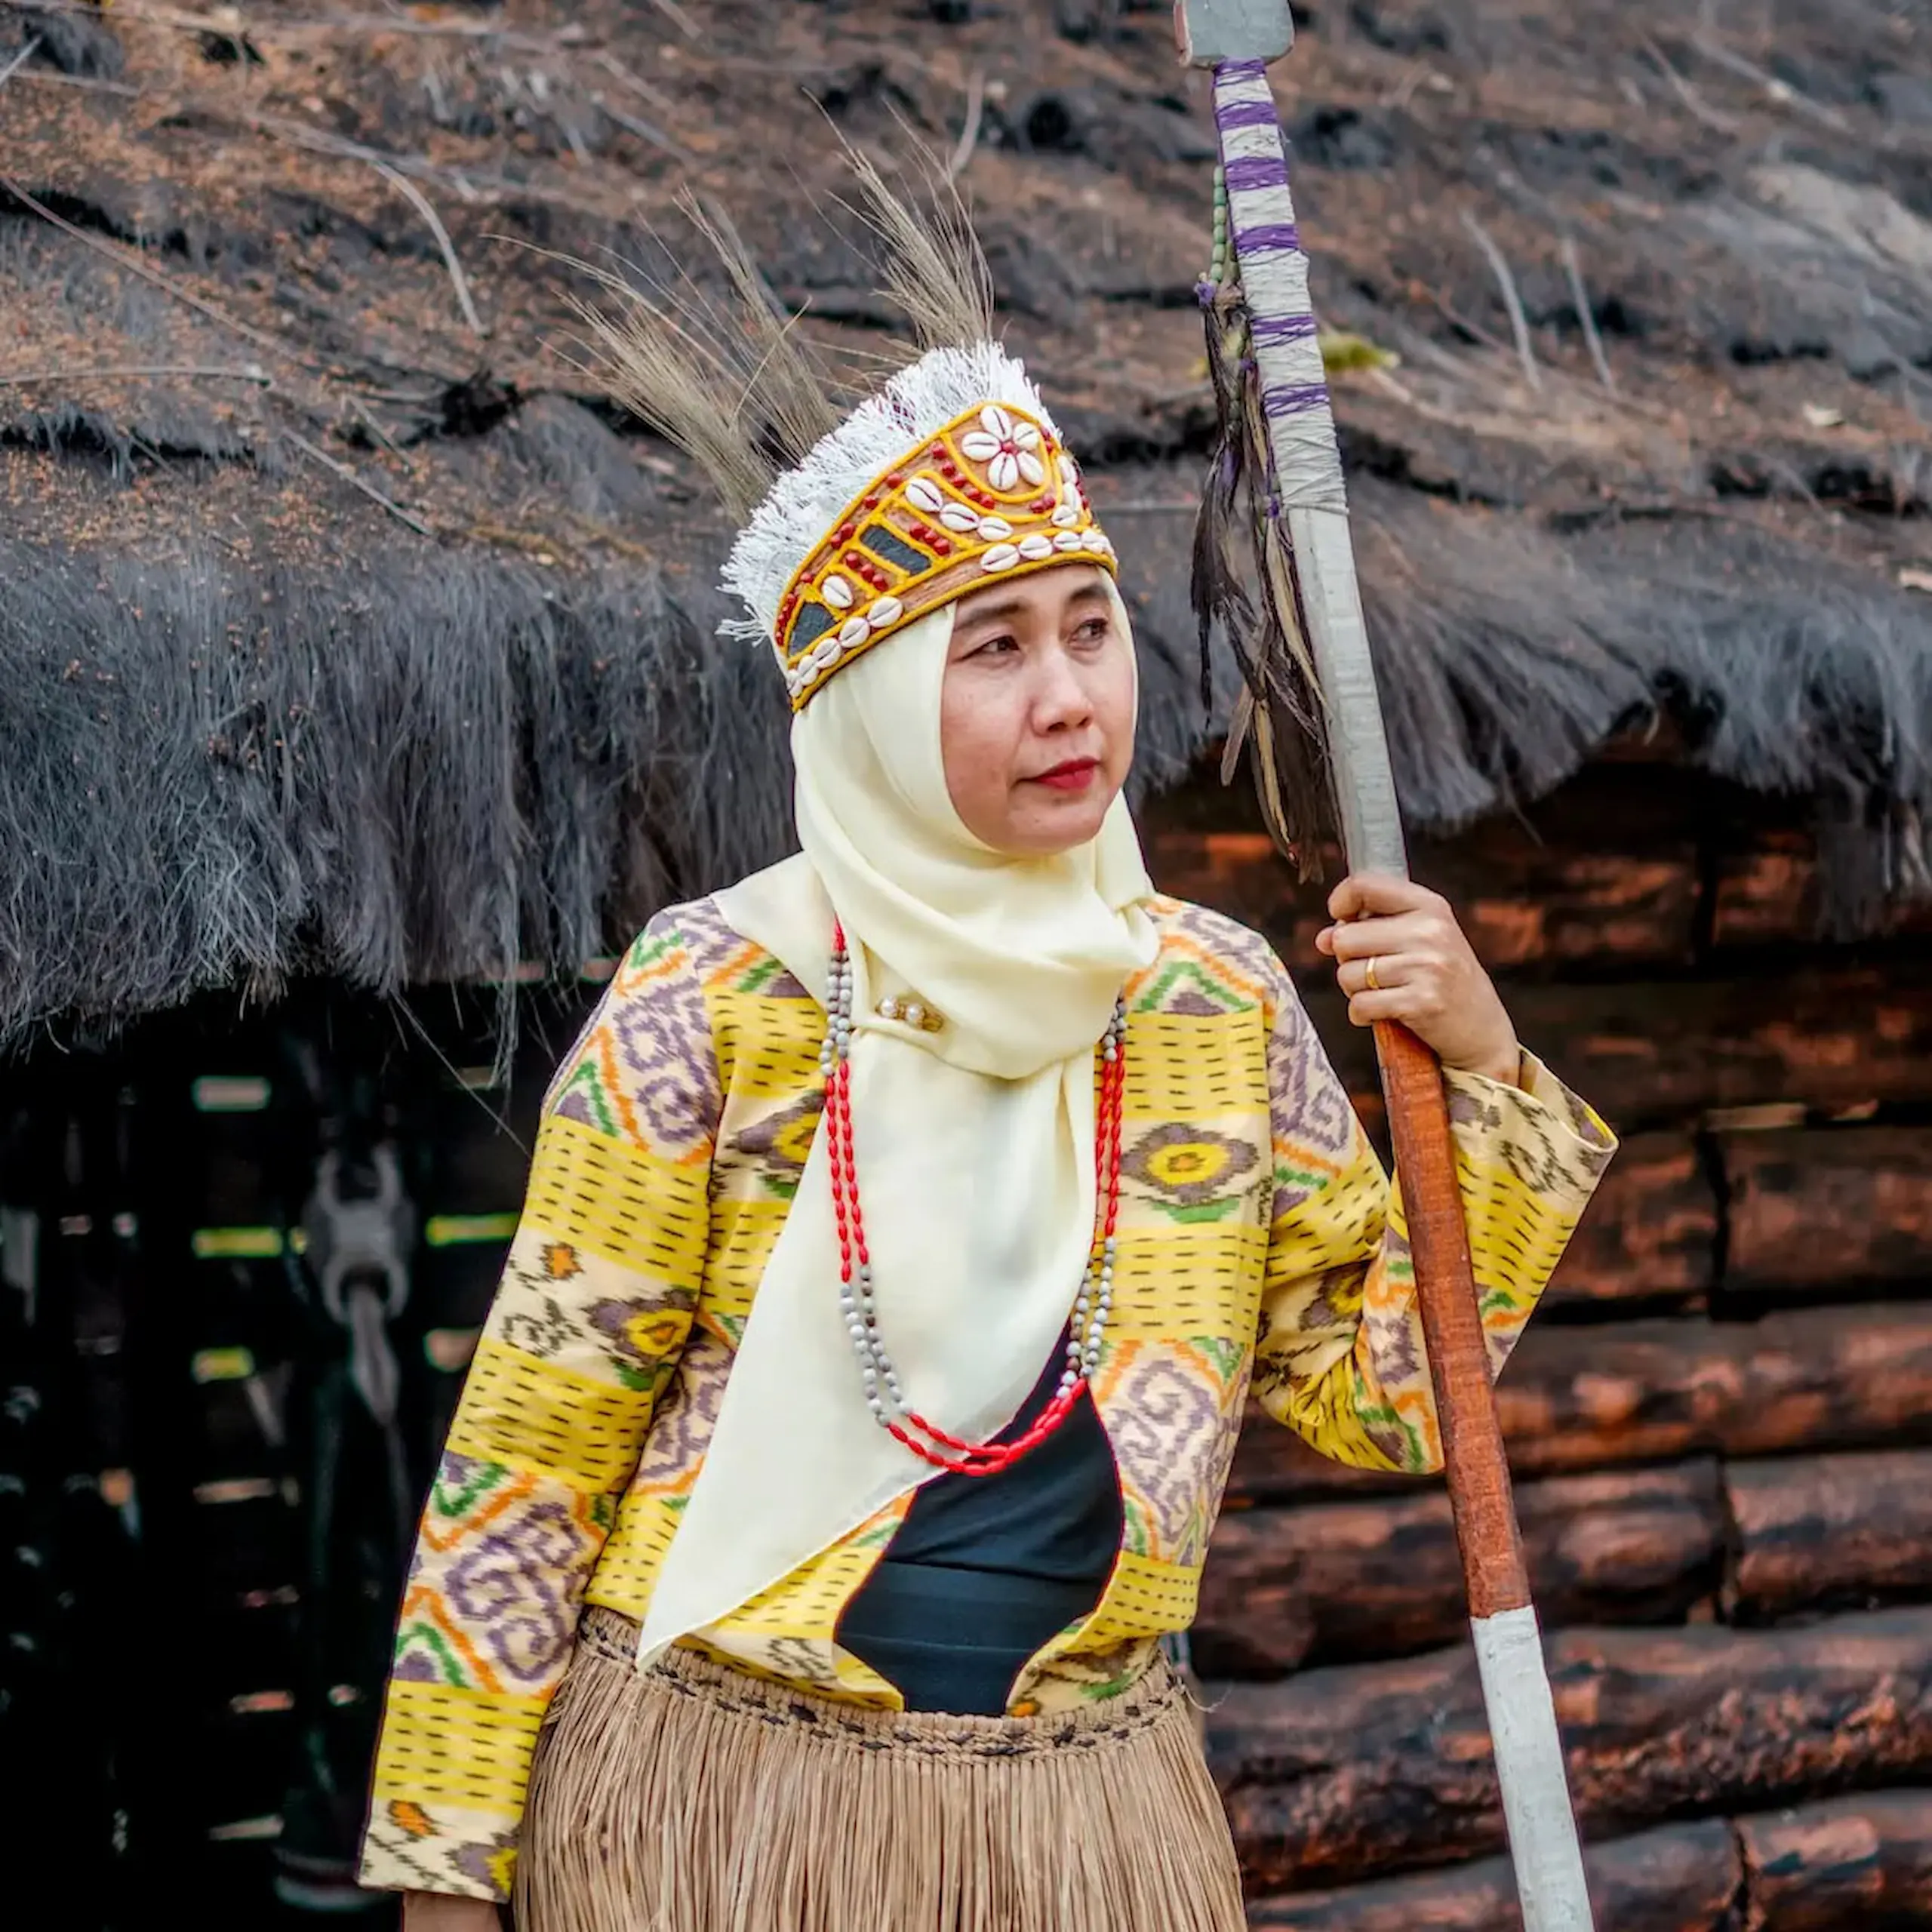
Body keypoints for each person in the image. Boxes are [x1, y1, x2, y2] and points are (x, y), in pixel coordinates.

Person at [358, 177, 1615, 1932]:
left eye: (1089, 630)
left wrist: (1479, 1070)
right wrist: (444, 1876)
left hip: (1083, 1832)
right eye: (993, 648)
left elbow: (1393, 1392)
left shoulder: (1210, 1004)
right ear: (870, 703)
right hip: (723, 1815)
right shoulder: (716, 994)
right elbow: (531, 1454)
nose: (1067, 698)